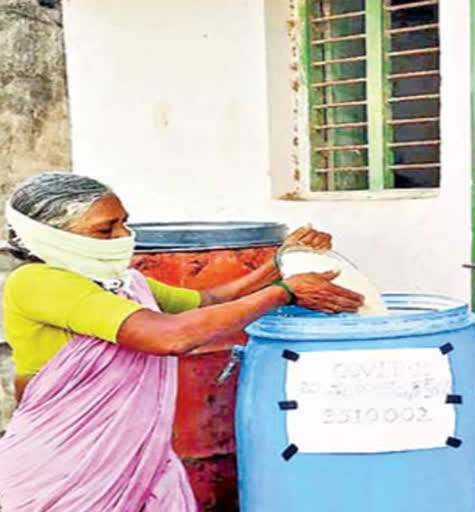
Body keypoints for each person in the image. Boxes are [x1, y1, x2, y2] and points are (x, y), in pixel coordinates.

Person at [0, 172, 363, 512]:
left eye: (124, 222)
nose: (124, 236)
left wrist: (282, 259)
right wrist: (284, 293)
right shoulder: (37, 282)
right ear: (53, 236)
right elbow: (170, 336)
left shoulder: (123, 284)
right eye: (106, 230)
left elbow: (210, 301)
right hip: (64, 464)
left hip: (138, 458)